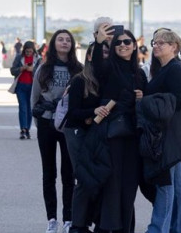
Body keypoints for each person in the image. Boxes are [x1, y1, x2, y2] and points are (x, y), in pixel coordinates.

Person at [139, 28, 181, 233]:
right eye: (155, 42)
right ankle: (180, 229)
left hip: (168, 135)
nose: (156, 45)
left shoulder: (175, 70)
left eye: (161, 43)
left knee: (166, 184)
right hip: (168, 133)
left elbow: (180, 101)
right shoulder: (164, 69)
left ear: (174, 47)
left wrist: (145, 100)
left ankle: (157, 229)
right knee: (178, 187)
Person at [92, 24, 147, 233]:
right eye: (118, 43)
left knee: (129, 185)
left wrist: (143, 97)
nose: (122, 45)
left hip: (133, 135)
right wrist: (99, 43)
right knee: (112, 183)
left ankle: (125, 227)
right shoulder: (109, 68)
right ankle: (108, 227)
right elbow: (97, 65)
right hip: (113, 133)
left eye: (127, 42)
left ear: (134, 46)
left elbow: (147, 99)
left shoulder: (139, 73)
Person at [31, 29, 83, 233]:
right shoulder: (43, 68)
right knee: (48, 173)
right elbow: (34, 98)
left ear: (72, 45)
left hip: (68, 126)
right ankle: (52, 219)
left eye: (67, 40)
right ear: (53, 44)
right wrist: (38, 121)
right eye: (60, 39)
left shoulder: (78, 69)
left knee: (69, 173)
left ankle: (69, 218)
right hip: (46, 123)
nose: (64, 42)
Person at [63, 43, 106, 233]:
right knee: (83, 178)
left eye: (106, 53)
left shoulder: (103, 79)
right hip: (76, 133)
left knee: (95, 179)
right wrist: (93, 112)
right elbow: (72, 113)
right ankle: (77, 225)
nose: (103, 56)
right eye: (99, 53)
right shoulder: (79, 80)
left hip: (92, 134)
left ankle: (90, 221)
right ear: (89, 56)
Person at [10, 41, 40, 140]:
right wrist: (21, 68)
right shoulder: (19, 57)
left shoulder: (38, 59)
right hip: (21, 86)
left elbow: (42, 72)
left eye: (30, 52)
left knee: (30, 108)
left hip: (32, 86)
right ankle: (23, 129)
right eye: (27, 52)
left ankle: (27, 128)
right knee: (22, 107)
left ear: (33, 51)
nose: (28, 53)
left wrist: (33, 70)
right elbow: (12, 70)